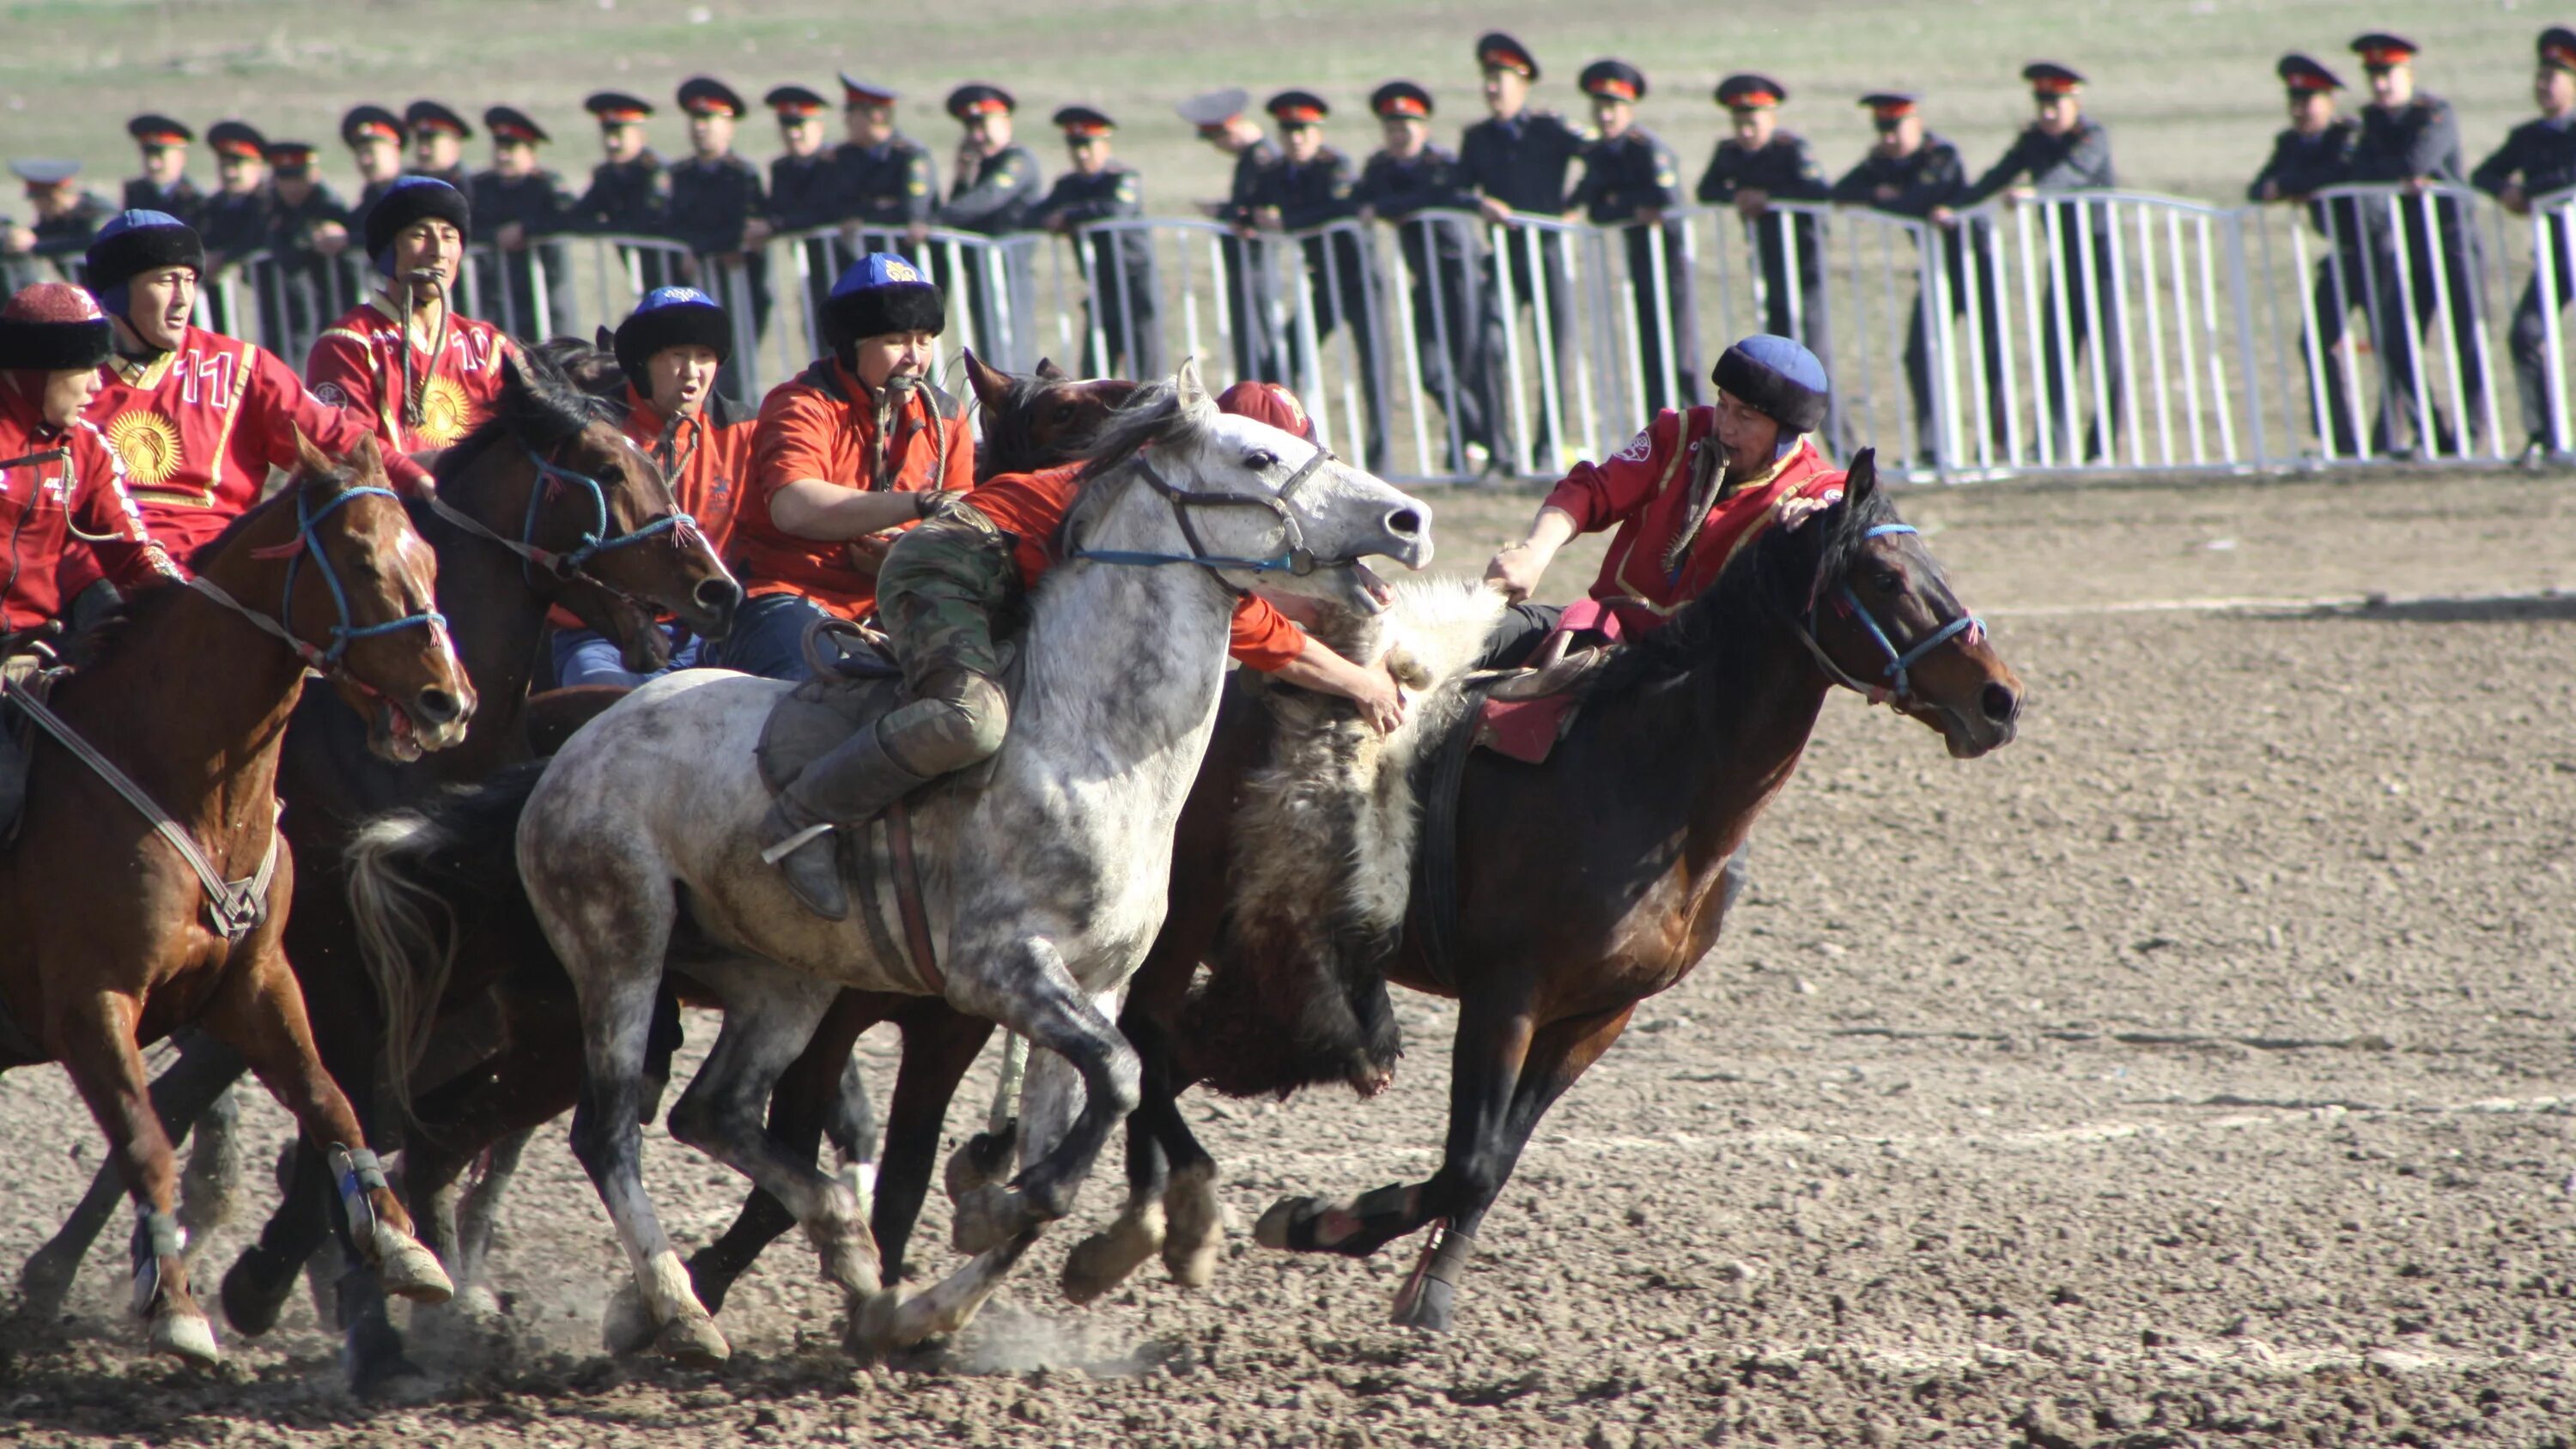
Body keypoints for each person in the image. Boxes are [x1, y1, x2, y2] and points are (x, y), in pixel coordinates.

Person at [758, 369, 1410, 919]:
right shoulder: (1159, 507)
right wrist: (1361, 682)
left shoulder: (1181, 507)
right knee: (969, 721)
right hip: (954, 561)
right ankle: (802, 819)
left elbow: (1253, 613)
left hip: (1009, 572)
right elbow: (1256, 627)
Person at [76, 210, 429, 583]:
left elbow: (331, 438)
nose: (182, 299)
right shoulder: (70, 374)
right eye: (165, 281)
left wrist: (414, 477)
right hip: (100, 564)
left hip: (220, 567)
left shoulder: (241, 366)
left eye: (190, 280)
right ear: (117, 291)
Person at [1480, 333, 1842, 664]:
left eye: (1745, 417)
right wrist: (1533, 552)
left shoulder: (1815, 487)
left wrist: (1819, 527)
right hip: (1609, 633)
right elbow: (1592, 490)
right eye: (1723, 404)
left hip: (1707, 675)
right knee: (1471, 635)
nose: (1725, 426)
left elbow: (1849, 525)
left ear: (1785, 433)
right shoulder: (1680, 434)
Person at [711, 253, 971, 686]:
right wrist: (921, 504)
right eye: (896, 340)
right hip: (788, 594)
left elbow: (963, 521)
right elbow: (794, 507)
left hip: (899, 599)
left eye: (924, 339)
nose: (915, 357)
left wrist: (904, 557)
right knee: (820, 699)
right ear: (851, 344)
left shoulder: (947, 417)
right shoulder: (801, 404)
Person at [549, 286, 756, 687]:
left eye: (705, 357)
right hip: (603, 633)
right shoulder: (589, 435)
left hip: (710, 631)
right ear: (643, 362)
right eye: (677, 355)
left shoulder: (745, 431)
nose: (692, 371)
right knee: (607, 711)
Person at [1956, 62, 2122, 464]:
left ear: (2074, 101)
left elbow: (2074, 172)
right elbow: (1998, 175)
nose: (2048, 112)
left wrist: (2036, 191)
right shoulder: (2033, 140)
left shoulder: (2092, 136)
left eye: (2057, 102)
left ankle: (2102, 449)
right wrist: (1956, 205)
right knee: (2056, 354)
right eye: (2042, 102)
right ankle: (2052, 444)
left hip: (2099, 259)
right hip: (2063, 259)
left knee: (2107, 358)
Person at [1833, 91, 2008, 463]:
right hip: (1934, 269)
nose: (1889, 138)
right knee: (1918, 356)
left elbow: (1922, 198)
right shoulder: (1881, 162)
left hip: (1973, 264)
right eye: (1883, 130)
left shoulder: (1941, 155)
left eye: (1896, 128)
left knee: (1993, 354)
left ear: (1916, 124)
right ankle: (1932, 447)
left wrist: (1883, 198)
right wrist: (1888, 194)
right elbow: (1842, 190)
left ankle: (1998, 444)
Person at [0, 282, 176, 636]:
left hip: (33, 647)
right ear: (40, 368)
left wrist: (186, 604)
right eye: (87, 368)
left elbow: (130, 554)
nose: (98, 386)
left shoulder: (86, 446)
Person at [2348, 33, 2487, 458]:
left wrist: (2388, 172)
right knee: (2394, 339)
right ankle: (2431, 430)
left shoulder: (2435, 113)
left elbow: (2417, 162)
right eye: (2373, 75)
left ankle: (2470, 433)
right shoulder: (2372, 121)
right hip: (2409, 246)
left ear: (2407, 73)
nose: (2381, 85)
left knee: (2466, 336)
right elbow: (2361, 169)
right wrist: (2393, 176)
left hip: (2452, 240)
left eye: (2388, 74)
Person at [1352, 79, 1500, 474]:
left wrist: (1393, 207)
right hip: (1425, 280)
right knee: (1433, 373)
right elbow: (1362, 199)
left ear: (1425, 129)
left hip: (1460, 276)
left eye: (1407, 127)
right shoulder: (1380, 167)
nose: (1399, 136)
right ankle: (1483, 435)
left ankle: (1484, 448)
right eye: (1392, 129)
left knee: (1471, 365)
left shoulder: (1443, 164)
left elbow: (1446, 197)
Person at [306, 176, 513, 454]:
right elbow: (350, 457)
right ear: (390, 250)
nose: (438, 252)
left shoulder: (487, 346)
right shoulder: (348, 345)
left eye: (449, 236)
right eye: (419, 235)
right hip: (396, 498)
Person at [1461, 31, 1586, 469]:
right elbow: (1455, 187)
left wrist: (1575, 206)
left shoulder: (1549, 128)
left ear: (1523, 84)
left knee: (1554, 350)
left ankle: (1547, 445)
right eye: (1488, 78)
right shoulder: (1477, 137)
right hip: (1504, 254)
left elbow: (1598, 159)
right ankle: (1499, 449)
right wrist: (1478, 204)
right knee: (1490, 346)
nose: (1493, 88)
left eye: (1502, 78)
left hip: (1547, 252)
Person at [1245, 90, 1387, 470]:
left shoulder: (1334, 165)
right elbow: (1251, 203)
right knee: (1286, 359)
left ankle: (1381, 457)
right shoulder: (1276, 173)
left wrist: (1287, 222)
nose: (1296, 138)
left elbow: (1340, 206)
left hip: (1359, 281)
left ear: (1318, 133)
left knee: (1375, 368)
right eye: (1289, 131)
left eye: (1304, 130)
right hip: (1323, 283)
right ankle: (1284, 442)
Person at [1696, 74, 1832, 439]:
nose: (1745, 130)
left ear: (1771, 118)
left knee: (1813, 359)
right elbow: (1706, 189)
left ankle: (1842, 445)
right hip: (1768, 264)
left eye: (1752, 122)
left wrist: (1768, 197)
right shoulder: (1729, 153)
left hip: (1803, 265)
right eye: (1739, 122)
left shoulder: (1790, 150)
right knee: (1780, 357)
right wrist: (1737, 196)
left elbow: (1818, 191)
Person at [2249, 55, 2370, 458]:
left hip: (2380, 252)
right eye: (2295, 101)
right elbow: (2259, 187)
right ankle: (2340, 439)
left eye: (2310, 100)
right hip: (2344, 255)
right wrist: (2284, 184)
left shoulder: (2348, 135)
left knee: (2394, 345)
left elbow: (2340, 172)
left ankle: (2424, 434)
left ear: (2331, 102)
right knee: (2315, 341)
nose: (2301, 110)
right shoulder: (2290, 143)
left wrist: (2291, 184)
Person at [1574, 60, 1701, 419]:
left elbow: (1665, 201)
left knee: (1679, 354)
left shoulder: (1647, 149)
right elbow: (1597, 208)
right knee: (1650, 353)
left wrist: (1622, 204)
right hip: (1640, 262)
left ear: (1629, 109)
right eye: (1599, 108)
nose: (1605, 116)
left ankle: (1700, 437)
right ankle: (1661, 437)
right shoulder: (1599, 153)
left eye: (1613, 107)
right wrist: (1632, 207)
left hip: (1669, 262)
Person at [2473, 27, 2576, 466]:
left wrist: (2529, 190)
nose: (2543, 86)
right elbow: (2483, 173)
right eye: (2540, 76)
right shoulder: (2528, 136)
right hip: (2557, 253)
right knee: (2526, 335)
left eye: (2553, 77)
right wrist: (2505, 192)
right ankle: (2545, 435)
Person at [1031, 106, 1161, 379]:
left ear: (1104, 143)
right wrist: (1051, 219)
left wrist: (1069, 216)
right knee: (1094, 367)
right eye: (1074, 146)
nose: (1081, 154)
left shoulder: (1123, 178)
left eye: (1088, 145)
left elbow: (1115, 209)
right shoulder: (1068, 185)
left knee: (1144, 371)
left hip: (1134, 284)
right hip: (1100, 284)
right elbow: (1035, 214)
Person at [667, 76, 771, 402]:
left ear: (729, 126)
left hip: (737, 287)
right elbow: (672, 225)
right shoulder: (681, 174)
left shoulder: (742, 174)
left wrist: (701, 249)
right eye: (696, 120)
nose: (701, 128)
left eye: (710, 120)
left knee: (732, 372)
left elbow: (743, 229)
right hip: (692, 287)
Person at [1178, 87, 1286, 385]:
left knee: (1258, 336)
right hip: (1246, 265)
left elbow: (1257, 209)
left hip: (1257, 264)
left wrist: (1222, 212)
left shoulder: (1262, 158)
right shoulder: (1251, 158)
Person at [935, 83, 1043, 361]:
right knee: (990, 353)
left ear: (1005, 121)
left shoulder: (1018, 161)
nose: (977, 136)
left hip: (1010, 271)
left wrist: (934, 219)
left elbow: (986, 199)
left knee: (1011, 352)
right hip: (982, 272)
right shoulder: (981, 166)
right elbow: (962, 212)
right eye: (970, 129)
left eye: (984, 125)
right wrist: (961, 176)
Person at [469, 105, 577, 337]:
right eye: (499, 147)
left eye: (511, 148)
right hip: (497, 296)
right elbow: (466, 226)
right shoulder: (482, 187)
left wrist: (526, 231)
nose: (503, 155)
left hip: (544, 293)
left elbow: (569, 218)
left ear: (531, 153)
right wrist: (494, 236)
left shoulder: (546, 185)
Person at [256, 141, 353, 360]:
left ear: (313, 175)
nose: (291, 187)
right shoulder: (271, 208)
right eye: (284, 179)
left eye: (298, 178)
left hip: (327, 309)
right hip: (285, 314)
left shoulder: (328, 206)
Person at [574, 91, 677, 291]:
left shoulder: (655, 172)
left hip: (676, 276)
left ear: (640, 135)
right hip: (644, 278)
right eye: (607, 134)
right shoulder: (607, 176)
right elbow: (578, 217)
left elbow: (647, 222)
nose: (612, 143)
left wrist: (611, 226)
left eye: (619, 134)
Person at [830, 76, 938, 251]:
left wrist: (864, 217)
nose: (846, 119)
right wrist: (876, 207)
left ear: (877, 115)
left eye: (852, 110)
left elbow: (912, 211)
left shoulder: (909, 155)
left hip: (908, 259)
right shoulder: (845, 156)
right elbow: (838, 205)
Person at [1, 161, 112, 286]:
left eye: (42, 201)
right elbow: (42, 234)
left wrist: (35, 246)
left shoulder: (97, 212)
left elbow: (91, 241)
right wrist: (21, 236)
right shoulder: (58, 219)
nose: (40, 208)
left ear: (56, 195)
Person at [122, 115, 203, 227]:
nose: (153, 165)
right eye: (148, 156)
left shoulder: (195, 201)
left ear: (180, 157)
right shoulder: (135, 194)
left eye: (161, 156)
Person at [403, 100, 475, 192]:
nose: (423, 151)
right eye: (419, 142)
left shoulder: (474, 188)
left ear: (453, 144)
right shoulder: (404, 188)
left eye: (431, 143)